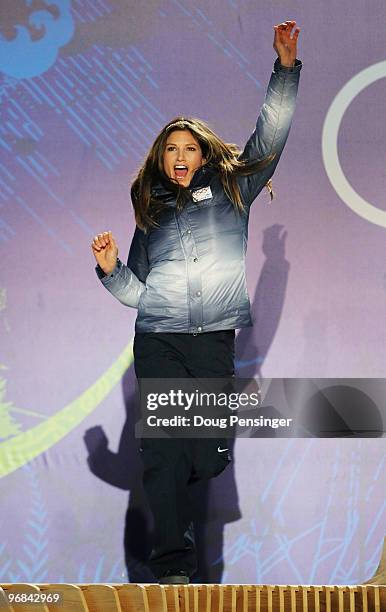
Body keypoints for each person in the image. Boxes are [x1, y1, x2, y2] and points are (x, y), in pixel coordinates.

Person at [91, 20, 302, 584]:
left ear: (203, 154)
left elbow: (269, 141)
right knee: (162, 457)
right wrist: (111, 272)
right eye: (170, 150)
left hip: (211, 343)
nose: (179, 156)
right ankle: (172, 569)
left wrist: (284, 71)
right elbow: (138, 291)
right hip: (158, 342)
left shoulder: (231, 191)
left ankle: (200, 473)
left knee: (203, 457)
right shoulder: (151, 215)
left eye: (188, 148)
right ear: (161, 161)